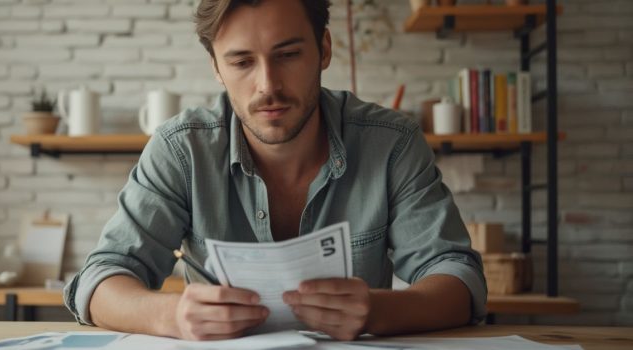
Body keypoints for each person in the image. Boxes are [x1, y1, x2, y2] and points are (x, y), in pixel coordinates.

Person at [63, 0, 486, 341]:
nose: (267, 85)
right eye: (242, 62)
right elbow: (99, 280)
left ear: (324, 48)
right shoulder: (181, 149)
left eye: (287, 55)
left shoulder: (391, 142)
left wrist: (377, 311)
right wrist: (170, 315)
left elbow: (458, 278)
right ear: (215, 67)